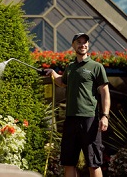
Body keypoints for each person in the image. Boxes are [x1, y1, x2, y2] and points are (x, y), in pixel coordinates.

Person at [45, 33, 110, 177]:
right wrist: (53, 74)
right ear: (73, 45)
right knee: (69, 162)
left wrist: (105, 116)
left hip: (90, 119)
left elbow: (105, 91)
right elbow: (62, 82)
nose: (83, 45)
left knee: (93, 163)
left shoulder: (96, 67)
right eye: (79, 42)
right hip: (70, 119)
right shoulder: (70, 67)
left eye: (85, 42)